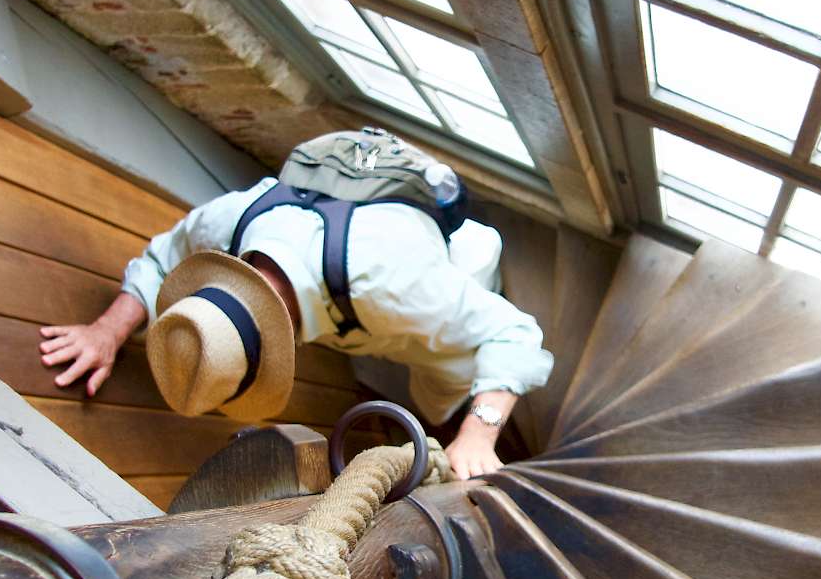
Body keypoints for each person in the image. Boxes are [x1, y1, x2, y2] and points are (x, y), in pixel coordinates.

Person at [39, 130, 553, 480]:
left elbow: (512, 334)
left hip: (450, 264)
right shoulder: (231, 223)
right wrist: (107, 330)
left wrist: (478, 436)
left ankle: (442, 419)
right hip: (356, 284)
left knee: (446, 382)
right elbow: (162, 256)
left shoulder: (398, 285)